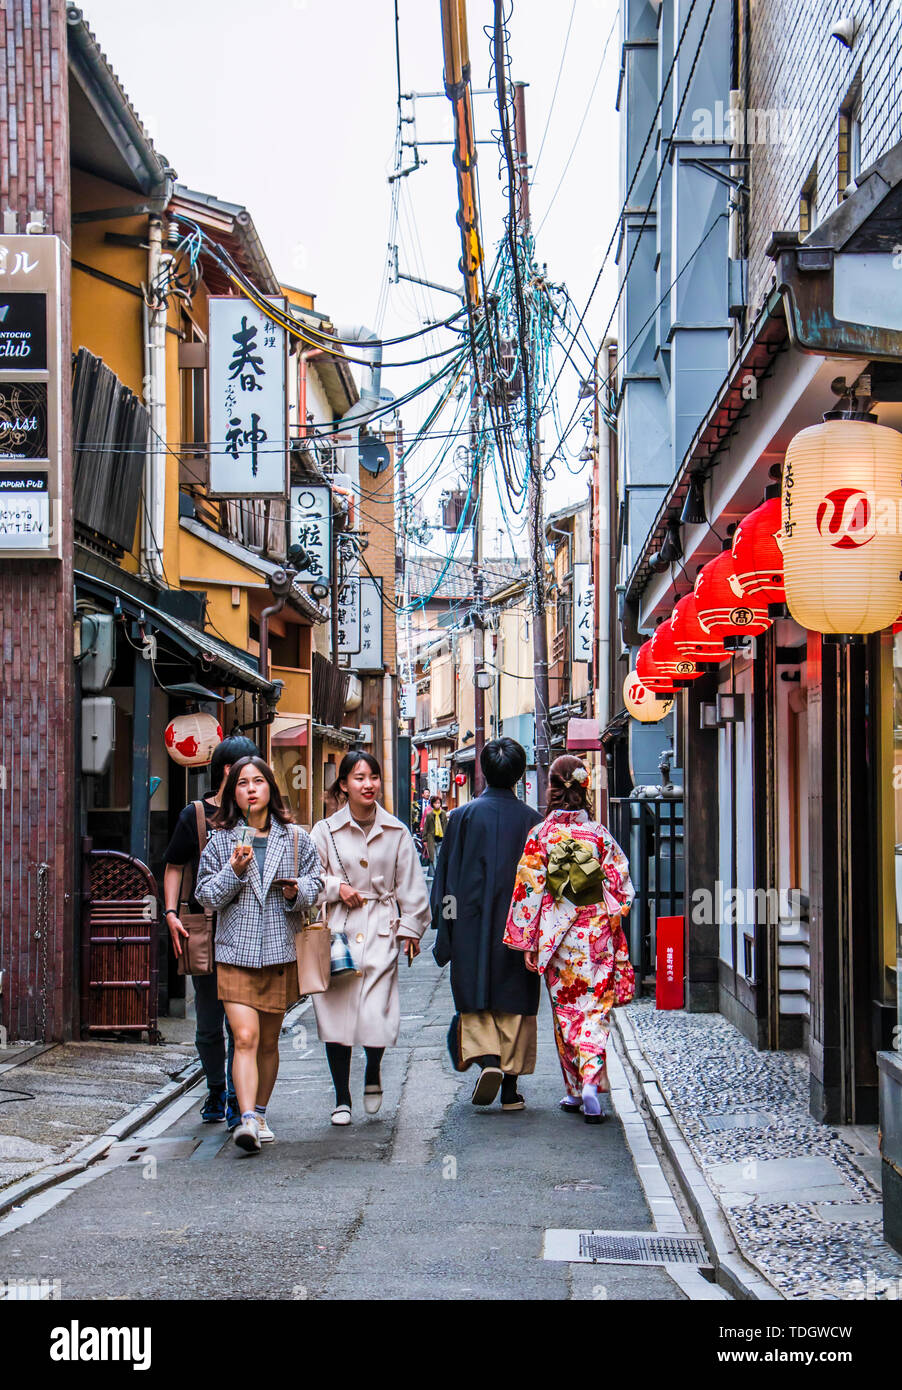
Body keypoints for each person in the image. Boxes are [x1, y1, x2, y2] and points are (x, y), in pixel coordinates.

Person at [195, 756, 322, 1154]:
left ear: (271, 787)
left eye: (258, 781)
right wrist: (233, 871)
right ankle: (246, 1118)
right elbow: (205, 896)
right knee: (245, 1036)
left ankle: (261, 1111)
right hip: (235, 952)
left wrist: (294, 892)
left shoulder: (296, 837)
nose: (251, 788)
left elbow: (316, 883)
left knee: (268, 1042)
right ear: (233, 793)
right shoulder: (220, 841)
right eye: (242, 783)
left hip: (280, 951)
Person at [503, 754, 635, 1123]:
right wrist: (602, 908)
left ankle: (578, 1089)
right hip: (596, 936)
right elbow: (622, 887)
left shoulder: (540, 835)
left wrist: (526, 941)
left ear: (552, 787)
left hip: (559, 938)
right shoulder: (598, 834)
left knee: (566, 1013)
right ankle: (589, 1083)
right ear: (583, 786)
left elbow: (528, 890)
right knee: (595, 1010)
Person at [310, 751, 431, 1126]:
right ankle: (341, 1097)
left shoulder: (395, 831)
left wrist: (411, 930)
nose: (368, 784)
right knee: (337, 1016)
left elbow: (411, 885)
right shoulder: (324, 831)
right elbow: (309, 879)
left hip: (381, 927)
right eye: (359, 778)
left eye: (374, 777)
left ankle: (373, 1069)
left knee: (376, 1012)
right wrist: (336, 887)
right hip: (337, 934)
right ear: (343, 784)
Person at [432, 738, 542, 1110]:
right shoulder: (533, 822)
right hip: (517, 928)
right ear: (519, 774)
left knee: (475, 999)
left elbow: (445, 877)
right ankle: (510, 1090)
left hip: (469, 924)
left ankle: (489, 1061)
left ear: (483, 771)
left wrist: (445, 926)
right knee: (514, 1002)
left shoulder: (461, 818)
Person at [162, 734, 259, 1128]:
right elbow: (173, 864)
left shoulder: (253, 816)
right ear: (227, 771)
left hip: (245, 931)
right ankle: (216, 1089)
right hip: (204, 929)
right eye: (246, 769)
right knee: (207, 1022)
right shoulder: (196, 816)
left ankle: (239, 1097)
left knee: (241, 1022)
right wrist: (170, 912)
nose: (254, 780)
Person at [423, 794, 448, 868]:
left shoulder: (443, 813)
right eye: (435, 803)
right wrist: (424, 839)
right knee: (433, 857)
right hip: (431, 838)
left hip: (441, 838)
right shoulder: (429, 814)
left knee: (440, 856)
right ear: (432, 804)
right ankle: (436, 874)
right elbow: (426, 827)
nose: (437, 804)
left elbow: (446, 826)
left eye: (439, 803)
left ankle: (439, 873)